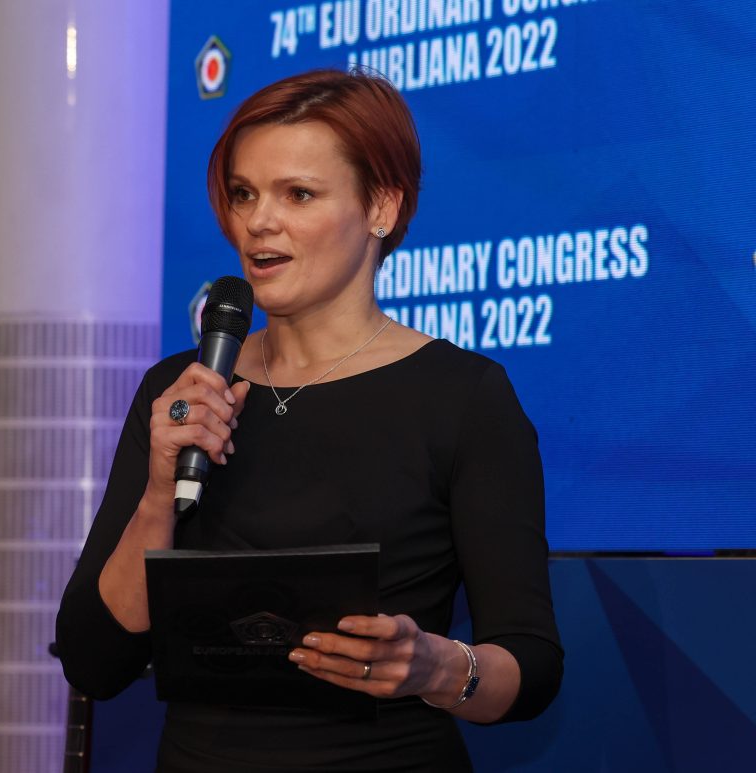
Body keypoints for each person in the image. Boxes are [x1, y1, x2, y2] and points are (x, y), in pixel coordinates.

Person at [56, 68, 562, 772]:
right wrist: (158, 494)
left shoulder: (463, 396)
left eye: (297, 194)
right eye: (244, 194)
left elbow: (531, 665)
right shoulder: (182, 391)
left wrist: (434, 666)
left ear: (382, 206)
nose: (258, 222)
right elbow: (93, 660)